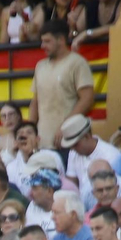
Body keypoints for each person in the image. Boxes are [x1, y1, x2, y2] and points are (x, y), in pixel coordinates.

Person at [31, 21, 94, 150]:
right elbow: (35, 101)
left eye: (47, 41)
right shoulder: (40, 66)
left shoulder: (78, 63)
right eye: (42, 41)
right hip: (42, 141)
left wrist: (65, 126)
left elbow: (87, 99)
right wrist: (30, 130)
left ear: (60, 40)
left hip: (69, 140)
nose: (43, 46)